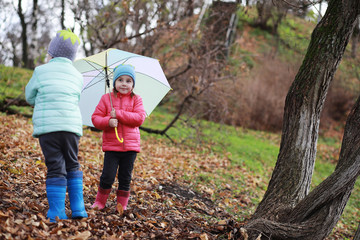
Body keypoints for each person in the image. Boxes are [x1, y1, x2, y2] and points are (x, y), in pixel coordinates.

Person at [25, 29, 87, 222]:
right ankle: (78, 208)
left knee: (55, 167)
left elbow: (29, 96)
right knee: (73, 163)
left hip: (48, 129)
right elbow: (76, 97)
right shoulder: (78, 76)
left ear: (51, 53)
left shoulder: (40, 71)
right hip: (71, 128)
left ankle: (57, 212)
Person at [91, 64, 146, 211]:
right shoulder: (106, 99)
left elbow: (139, 118)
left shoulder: (136, 100)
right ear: (114, 82)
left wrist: (119, 114)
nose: (124, 83)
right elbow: (95, 118)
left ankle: (121, 205)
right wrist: (108, 121)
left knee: (125, 177)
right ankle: (100, 202)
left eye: (128, 81)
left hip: (130, 147)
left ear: (133, 84)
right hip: (112, 146)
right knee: (107, 175)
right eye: (120, 80)